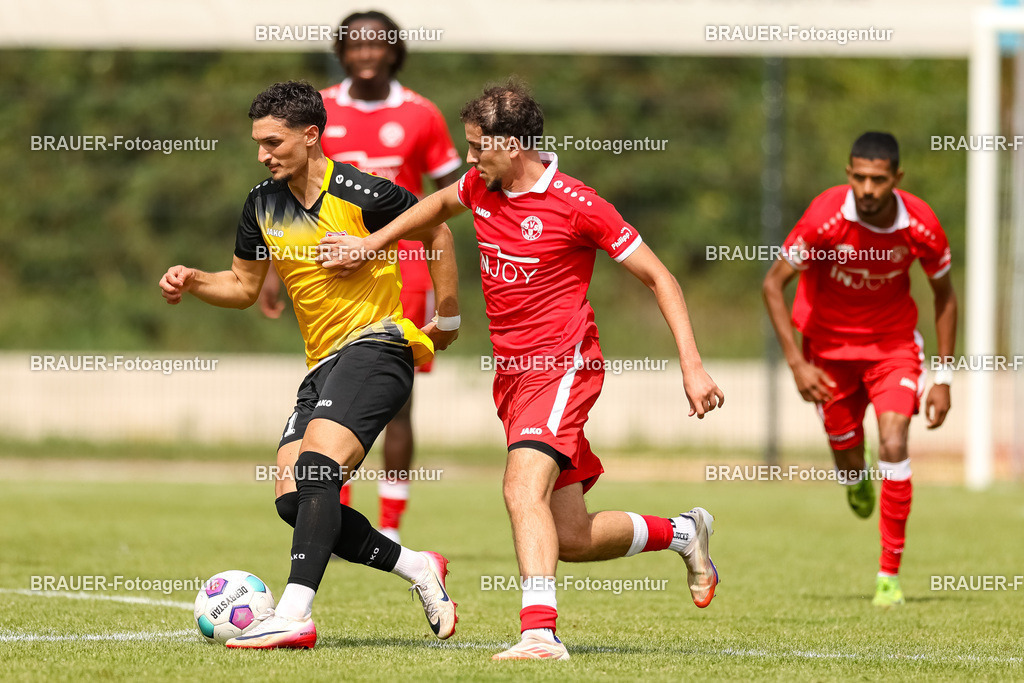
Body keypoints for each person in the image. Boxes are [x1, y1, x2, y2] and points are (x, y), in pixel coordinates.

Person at [320, 80, 724, 661]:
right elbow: (433, 206)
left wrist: (691, 366)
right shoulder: (482, 186)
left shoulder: (578, 204)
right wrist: (371, 244)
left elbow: (661, 277)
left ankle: (540, 631)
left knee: (518, 488)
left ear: (512, 144)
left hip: (563, 366)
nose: (468, 158)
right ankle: (684, 533)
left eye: (477, 146)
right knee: (572, 537)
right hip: (511, 377)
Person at [158, 81, 460, 649]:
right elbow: (245, 286)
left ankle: (294, 613)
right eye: (258, 144)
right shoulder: (261, 203)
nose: (263, 154)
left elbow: (437, 229)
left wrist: (446, 319)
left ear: (311, 135)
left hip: (379, 347)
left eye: (273, 142)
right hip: (322, 363)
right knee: (294, 501)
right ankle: (418, 567)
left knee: (319, 462)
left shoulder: (362, 191)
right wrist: (195, 280)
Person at [257, 10, 462, 544]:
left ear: (394, 51)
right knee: (335, 390)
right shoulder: (318, 111)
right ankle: (331, 509)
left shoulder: (422, 114)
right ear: (342, 52)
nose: (366, 54)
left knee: (394, 398)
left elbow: (450, 199)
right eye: (355, 45)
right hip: (323, 267)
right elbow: (293, 204)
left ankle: (390, 525)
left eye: (376, 45)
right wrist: (275, 269)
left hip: (405, 269)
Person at [762, 132, 957, 608]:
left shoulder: (922, 226)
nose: (868, 189)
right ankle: (853, 478)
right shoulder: (825, 217)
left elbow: (945, 295)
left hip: (893, 349)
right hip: (827, 353)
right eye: (859, 178)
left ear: (896, 179)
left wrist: (944, 377)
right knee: (849, 458)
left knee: (893, 444)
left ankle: (889, 576)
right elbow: (772, 284)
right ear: (848, 174)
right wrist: (796, 363)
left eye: (879, 179)